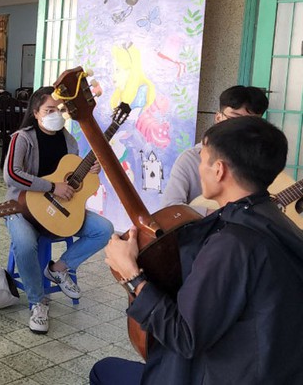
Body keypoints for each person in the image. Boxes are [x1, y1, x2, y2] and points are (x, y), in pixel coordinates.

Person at [92, 116, 303, 384]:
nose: (198, 168)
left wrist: (132, 275)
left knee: (103, 370)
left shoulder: (233, 243)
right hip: (271, 368)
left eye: (202, 160)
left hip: (232, 374)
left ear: (219, 170)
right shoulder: (275, 218)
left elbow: (185, 337)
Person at [3, 86, 114, 334]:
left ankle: (58, 268)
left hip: (60, 210)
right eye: (49, 110)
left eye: (59, 110)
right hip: (21, 206)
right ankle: (37, 302)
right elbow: (11, 175)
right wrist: (52, 186)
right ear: (36, 112)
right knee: (24, 242)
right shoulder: (22, 138)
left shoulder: (69, 141)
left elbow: (74, 179)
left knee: (104, 229)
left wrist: (90, 171)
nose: (55, 114)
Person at [162, 85, 268, 214]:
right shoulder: (191, 159)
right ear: (218, 118)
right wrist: (218, 215)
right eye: (234, 119)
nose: (241, 128)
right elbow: (169, 207)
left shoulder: (259, 162)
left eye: (250, 123)